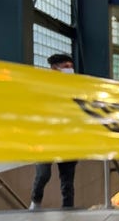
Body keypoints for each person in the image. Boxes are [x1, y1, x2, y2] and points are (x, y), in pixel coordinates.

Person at [29, 54, 78, 210]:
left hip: (68, 139)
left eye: (71, 66)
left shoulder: (75, 88)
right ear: (54, 69)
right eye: (65, 67)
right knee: (43, 174)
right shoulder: (43, 87)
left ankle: (68, 210)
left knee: (67, 182)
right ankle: (35, 201)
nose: (70, 70)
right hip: (46, 139)